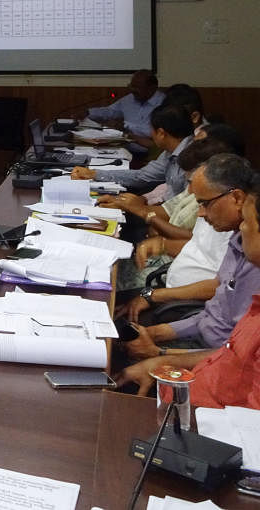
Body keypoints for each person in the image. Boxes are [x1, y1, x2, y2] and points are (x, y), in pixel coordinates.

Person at [114, 191, 260, 409]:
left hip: (210, 407)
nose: (241, 227)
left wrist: (161, 357)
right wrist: (158, 342)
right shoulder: (241, 249)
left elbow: (234, 368)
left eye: (247, 222)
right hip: (202, 370)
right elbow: (217, 326)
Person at [119, 154, 260, 360]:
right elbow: (212, 315)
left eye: (205, 204)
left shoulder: (253, 263)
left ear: (237, 198)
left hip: (209, 360)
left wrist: (162, 355)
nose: (200, 213)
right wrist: (156, 333)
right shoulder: (238, 240)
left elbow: (237, 358)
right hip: (197, 338)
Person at [109, 138, 234, 296]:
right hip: (166, 276)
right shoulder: (208, 204)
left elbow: (222, 285)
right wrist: (163, 243)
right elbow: (195, 242)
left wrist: (155, 297)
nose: (200, 211)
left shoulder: (227, 220)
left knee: (108, 286)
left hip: (175, 291)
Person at [72, 105, 194, 198]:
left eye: (151, 129)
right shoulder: (171, 152)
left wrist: (145, 211)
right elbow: (141, 176)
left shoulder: (193, 157)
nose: (150, 134)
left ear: (161, 133)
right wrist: (93, 174)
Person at [86, 70, 165, 140]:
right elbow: (110, 111)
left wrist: (125, 126)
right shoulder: (130, 99)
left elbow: (153, 132)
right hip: (124, 145)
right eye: (131, 86)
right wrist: (88, 113)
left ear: (152, 88)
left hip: (148, 151)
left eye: (137, 87)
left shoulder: (163, 103)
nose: (133, 90)